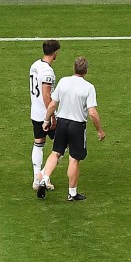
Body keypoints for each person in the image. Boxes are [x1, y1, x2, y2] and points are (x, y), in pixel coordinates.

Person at [37, 56, 105, 201]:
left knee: (55, 153)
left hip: (62, 123)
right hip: (77, 126)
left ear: (74, 68)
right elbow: (92, 113)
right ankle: (72, 193)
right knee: (74, 159)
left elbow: (52, 105)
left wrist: (46, 120)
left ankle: (44, 179)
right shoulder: (88, 87)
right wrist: (100, 130)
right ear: (86, 70)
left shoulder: (63, 82)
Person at [30, 40, 61, 194]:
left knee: (38, 143)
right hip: (45, 114)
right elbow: (46, 95)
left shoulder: (35, 65)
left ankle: (37, 179)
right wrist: (52, 117)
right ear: (55, 52)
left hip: (35, 112)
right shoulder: (48, 72)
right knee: (63, 144)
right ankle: (44, 176)